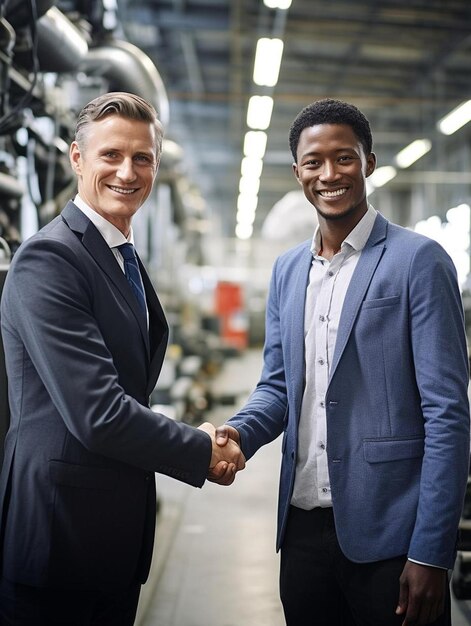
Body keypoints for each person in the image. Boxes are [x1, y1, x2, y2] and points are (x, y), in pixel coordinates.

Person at [211, 98, 470, 625]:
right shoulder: (287, 271)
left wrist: (431, 551)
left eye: (344, 158)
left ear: (368, 162)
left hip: (392, 534)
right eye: (314, 162)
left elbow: (448, 413)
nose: (329, 174)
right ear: (298, 173)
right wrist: (237, 435)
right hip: (303, 530)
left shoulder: (417, 261)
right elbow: (280, 388)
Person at [0, 91, 244, 626]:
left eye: (143, 158)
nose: (127, 172)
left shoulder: (119, 256)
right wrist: (200, 448)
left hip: (110, 533)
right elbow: (99, 412)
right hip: (58, 539)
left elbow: (126, 392)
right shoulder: (50, 258)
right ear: (77, 158)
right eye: (111, 155)